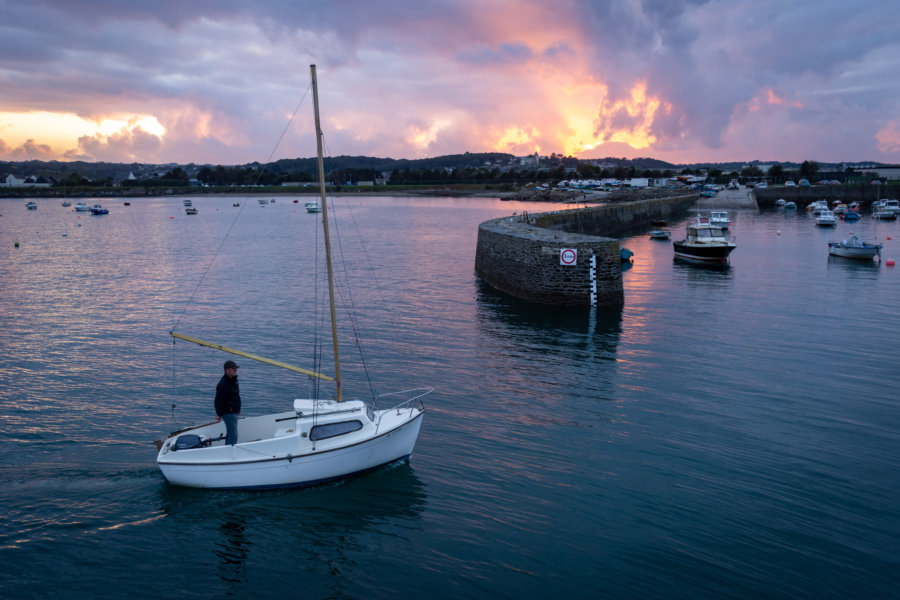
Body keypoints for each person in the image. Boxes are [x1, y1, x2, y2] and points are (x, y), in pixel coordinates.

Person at [215, 360, 241, 445]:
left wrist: (238, 409)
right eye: (233, 369)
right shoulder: (222, 384)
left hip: (234, 411)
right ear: (227, 370)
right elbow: (218, 401)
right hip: (228, 413)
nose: (235, 370)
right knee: (233, 436)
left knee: (230, 434)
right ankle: (230, 454)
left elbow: (237, 396)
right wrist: (219, 414)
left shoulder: (234, 381)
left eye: (235, 369)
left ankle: (226, 450)